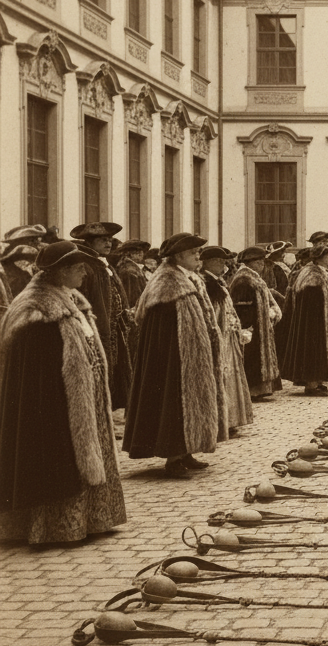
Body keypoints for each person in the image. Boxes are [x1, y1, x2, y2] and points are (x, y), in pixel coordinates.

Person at [0, 241, 126, 545]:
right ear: (61, 271)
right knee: (57, 457)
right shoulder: (37, 309)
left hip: (83, 400)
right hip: (55, 405)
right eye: (78, 267)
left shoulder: (72, 299)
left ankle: (90, 520)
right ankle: (53, 527)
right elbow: (37, 374)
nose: (84, 272)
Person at [123, 233, 227, 478]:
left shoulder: (186, 278)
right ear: (179, 256)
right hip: (173, 359)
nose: (198, 257)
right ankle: (174, 456)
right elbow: (164, 329)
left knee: (186, 402)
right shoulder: (168, 283)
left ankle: (186, 450)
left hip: (188, 355)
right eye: (194, 253)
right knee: (173, 401)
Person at [70, 221, 136, 412]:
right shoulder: (87, 267)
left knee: (113, 373)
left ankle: (107, 416)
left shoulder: (103, 264)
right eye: (102, 240)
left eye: (109, 240)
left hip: (115, 330)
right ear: (90, 243)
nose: (108, 244)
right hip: (97, 331)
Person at [278, 243, 328, 395]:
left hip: (320, 319)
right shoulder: (312, 275)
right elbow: (311, 301)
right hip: (314, 322)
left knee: (319, 350)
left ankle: (318, 380)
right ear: (319, 258)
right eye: (327, 256)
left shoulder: (318, 272)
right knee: (312, 350)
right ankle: (311, 384)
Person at [201, 245, 253, 437]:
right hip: (220, 337)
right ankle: (222, 420)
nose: (223, 266)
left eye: (224, 262)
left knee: (230, 376)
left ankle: (230, 419)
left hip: (228, 336)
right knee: (222, 376)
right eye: (220, 262)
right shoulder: (207, 283)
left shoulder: (217, 281)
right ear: (209, 263)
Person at [229, 246, 283, 401]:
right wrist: (249, 327)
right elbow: (242, 306)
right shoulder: (244, 279)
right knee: (252, 358)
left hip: (260, 324)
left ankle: (260, 389)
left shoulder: (253, 278)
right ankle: (253, 390)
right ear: (249, 262)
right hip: (252, 326)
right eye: (258, 261)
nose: (262, 265)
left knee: (257, 358)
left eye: (262, 261)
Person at [114, 239, 151, 308]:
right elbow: (133, 299)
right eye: (137, 251)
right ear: (129, 253)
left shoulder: (131, 268)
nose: (141, 254)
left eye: (142, 251)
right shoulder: (130, 271)